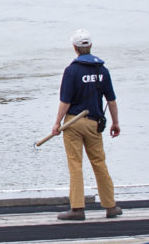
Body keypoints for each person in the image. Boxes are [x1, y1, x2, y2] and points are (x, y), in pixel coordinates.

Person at [51, 28, 122, 221]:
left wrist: (56, 124)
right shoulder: (102, 71)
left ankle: (77, 209)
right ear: (90, 46)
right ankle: (111, 206)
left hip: (73, 122)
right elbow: (111, 101)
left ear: (74, 47)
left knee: (75, 165)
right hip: (93, 123)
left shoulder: (71, 71)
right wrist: (115, 123)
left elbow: (65, 102)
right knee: (99, 163)